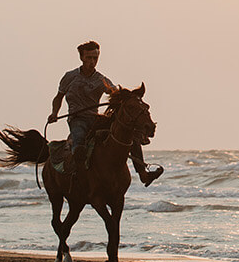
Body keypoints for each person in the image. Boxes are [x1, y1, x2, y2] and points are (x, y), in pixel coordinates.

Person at [48, 41, 162, 184]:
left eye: (95, 58)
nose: (92, 61)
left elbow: (115, 92)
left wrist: (128, 97)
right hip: (77, 119)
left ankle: (143, 174)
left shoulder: (101, 79)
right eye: (89, 58)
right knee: (79, 147)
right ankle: (78, 182)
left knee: (130, 138)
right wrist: (54, 113)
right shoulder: (70, 77)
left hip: (96, 119)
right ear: (81, 57)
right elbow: (58, 97)